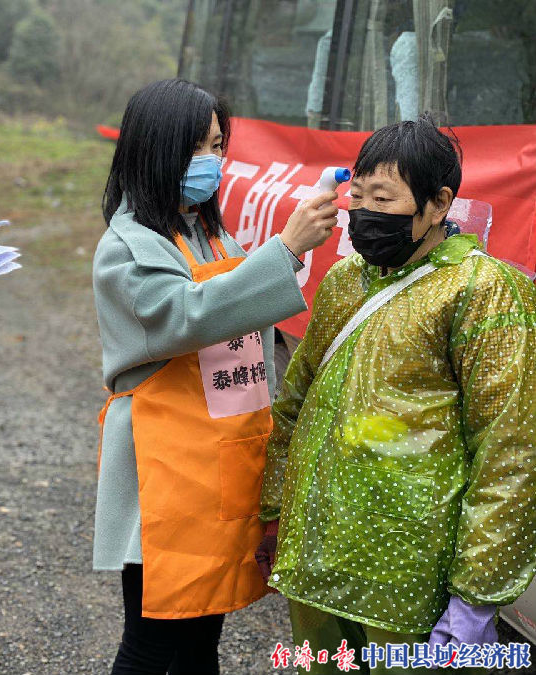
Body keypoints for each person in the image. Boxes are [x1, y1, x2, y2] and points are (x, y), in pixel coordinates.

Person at [257, 115, 536, 674]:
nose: (362, 212)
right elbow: (295, 401)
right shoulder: (345, 278)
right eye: (356, 195)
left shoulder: (485, 291)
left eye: (383, 198)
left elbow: (510, 450)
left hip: (408, 575)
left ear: (438, 205)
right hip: (317, 553)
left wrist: (476, 597)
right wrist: (272, 511)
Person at [92, 78, 339, 674]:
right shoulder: (126, 248)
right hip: (169, 472)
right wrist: (286, 249)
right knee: (151, 646)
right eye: (198, 147)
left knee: (203, 640)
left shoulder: (208, 232)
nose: (212, 161)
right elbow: (188, 315)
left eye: (218, 145)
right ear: (156, 150)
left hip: (219, 464)